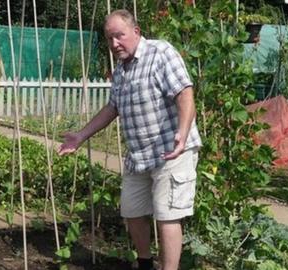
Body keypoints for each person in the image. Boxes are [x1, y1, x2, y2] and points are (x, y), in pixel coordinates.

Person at [58, 9, 202, 270]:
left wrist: (182, 130)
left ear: (136, 31)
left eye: (119, 36)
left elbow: (185, 93)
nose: (114, 44)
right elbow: (112, 108)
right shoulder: (122, 70)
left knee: (167, 216)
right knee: (132, 211)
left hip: (172, 150)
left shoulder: (160, 53)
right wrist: (80, 136)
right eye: (109, 38)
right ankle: (145, 264)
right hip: (139, 155)